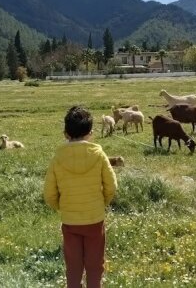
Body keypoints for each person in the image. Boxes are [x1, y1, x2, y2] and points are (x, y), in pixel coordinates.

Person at [44, 106, 118, 288]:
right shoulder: (99, 155)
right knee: (95, 265)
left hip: (70, 221)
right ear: (91, 133)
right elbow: (111, 186)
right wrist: (102, 203)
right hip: (95, 219)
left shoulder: (57, 158)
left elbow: (49, 193)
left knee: (73, 266)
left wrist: (62, 206)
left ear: (65, 133)